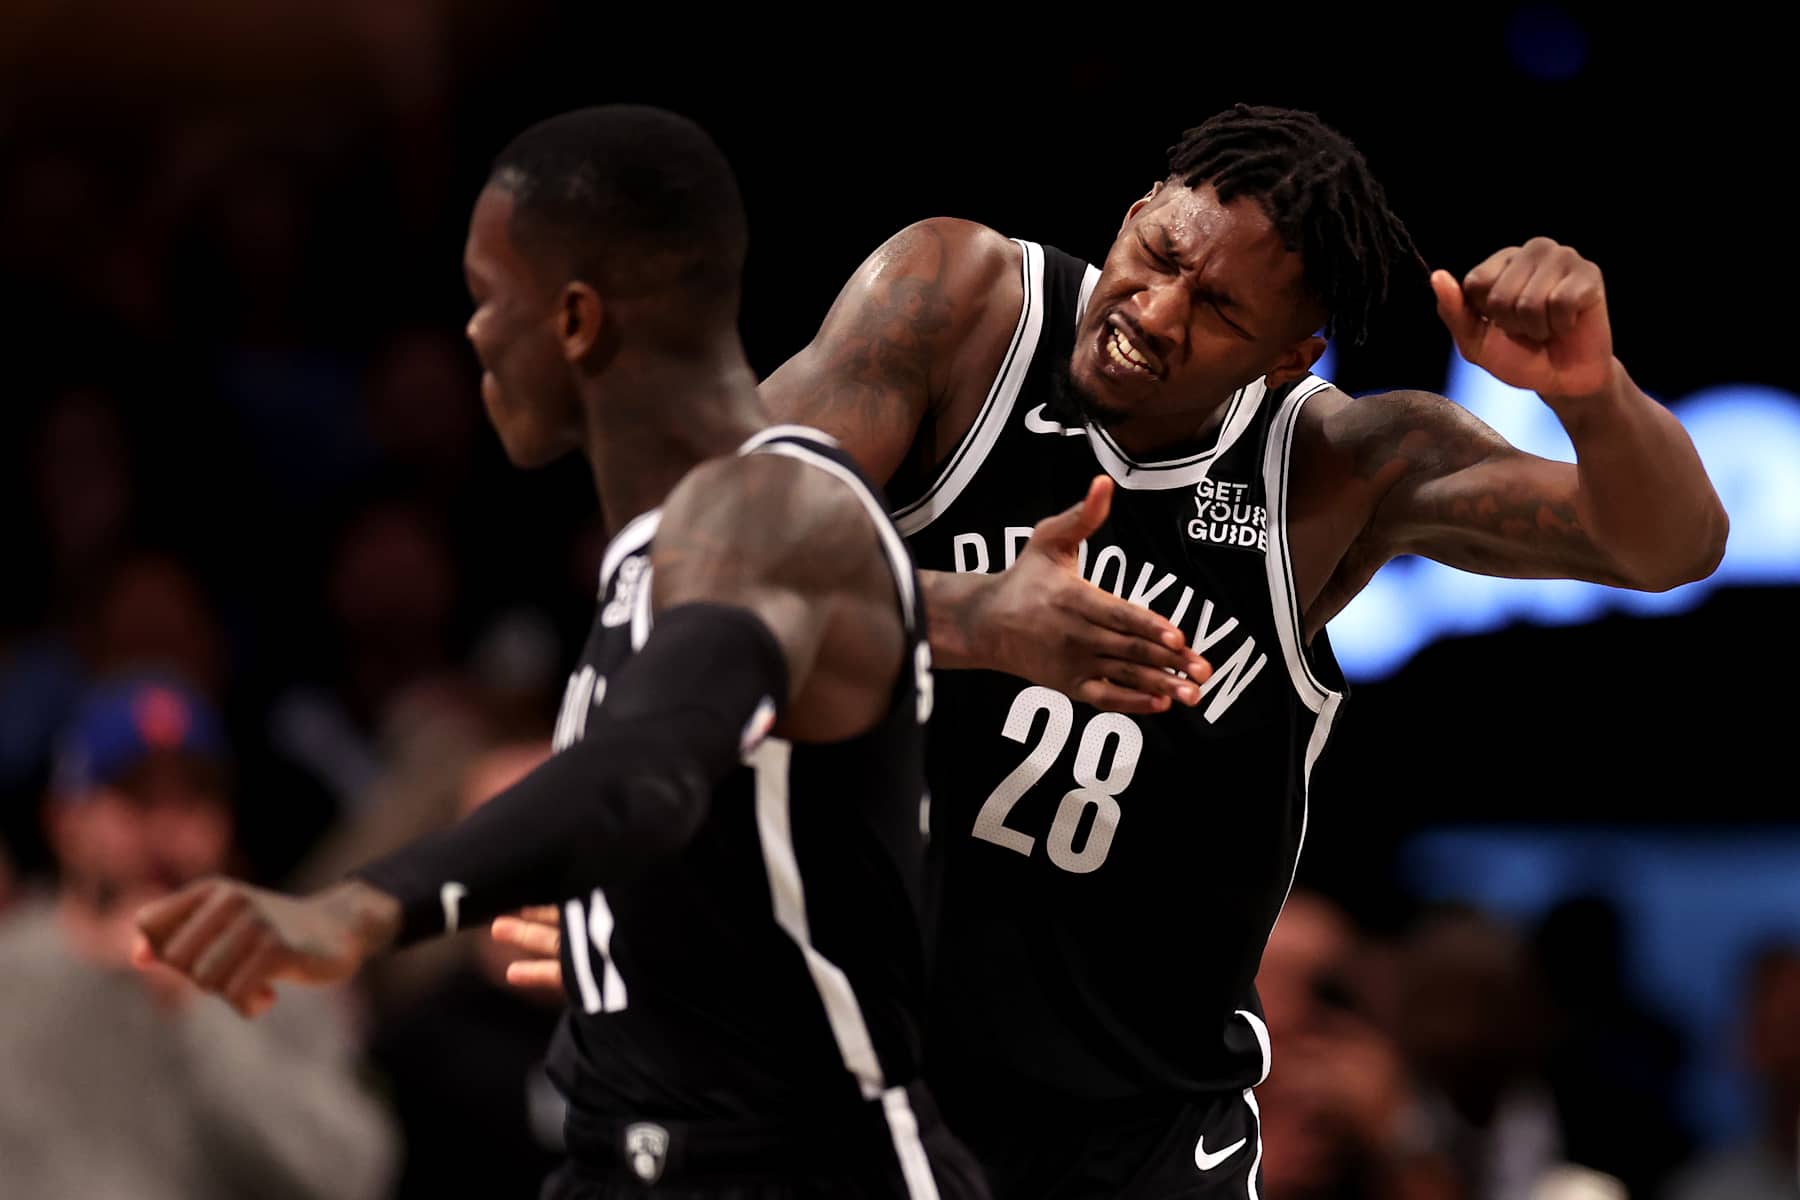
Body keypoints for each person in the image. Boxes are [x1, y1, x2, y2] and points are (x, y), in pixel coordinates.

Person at [496, 100, 1728, 1195]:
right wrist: (972, 624)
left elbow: (1667, 545)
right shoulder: (959, 307)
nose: (1154, 311)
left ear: (1291, 357)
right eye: (1159, 254)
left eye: (1221, 309)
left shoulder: (1341, 469)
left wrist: (1592, 394)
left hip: (1135, 1128)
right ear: (1141, 207)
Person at [133, 105, 986, 1200]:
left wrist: (360, 906)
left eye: (488, 299)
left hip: (805, 1166)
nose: (475, 336)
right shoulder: (661, 552)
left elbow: (648, 774)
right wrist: (624, 924)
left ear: (576, 319)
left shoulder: (772, 503)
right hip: (623, 1157)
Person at [0, 672, 396, 1200]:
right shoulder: (11, 974)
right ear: (64, 819)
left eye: (194, 798)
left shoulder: (288, 972)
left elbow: (351, 1177)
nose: (167, 830)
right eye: (135, 796)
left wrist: (199, 1002)